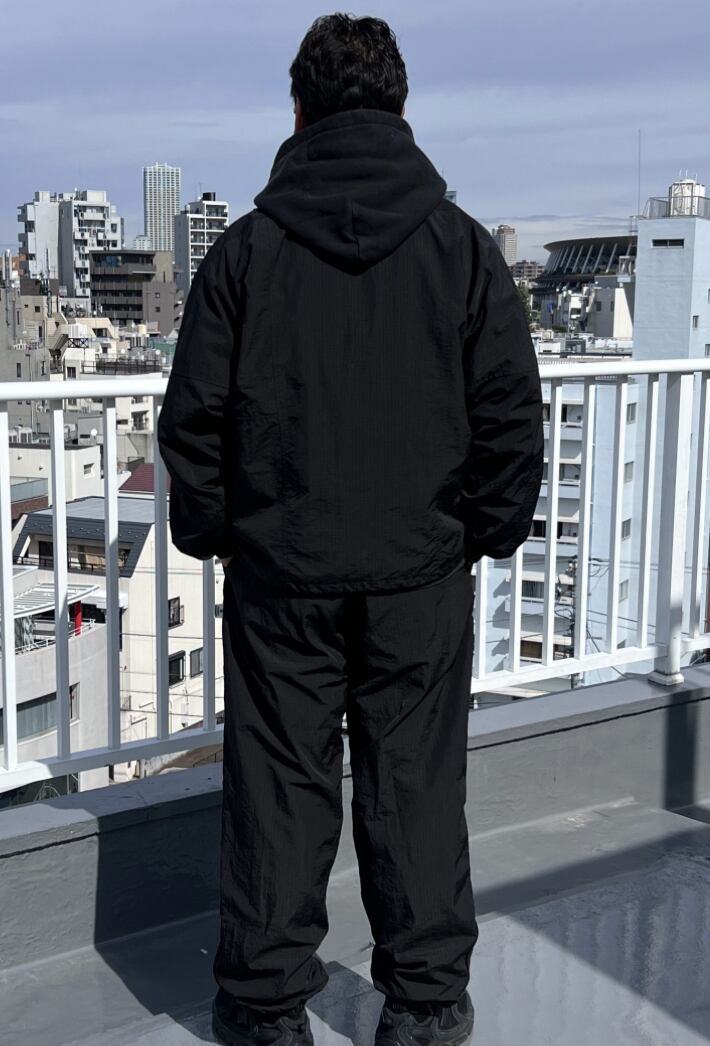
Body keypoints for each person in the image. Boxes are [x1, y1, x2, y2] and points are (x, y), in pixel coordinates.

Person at [158, 13, 543, 1046]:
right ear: (401, 108)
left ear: (298, 112)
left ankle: (264, 1007)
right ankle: (424, 1002)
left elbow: (192, 420)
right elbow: (510, 412)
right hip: (419, 571)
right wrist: (482, 530)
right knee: (415, 779)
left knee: (279, 783)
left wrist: (218, 531)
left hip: (284, 572)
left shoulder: (245, 254)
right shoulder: (461, 249)